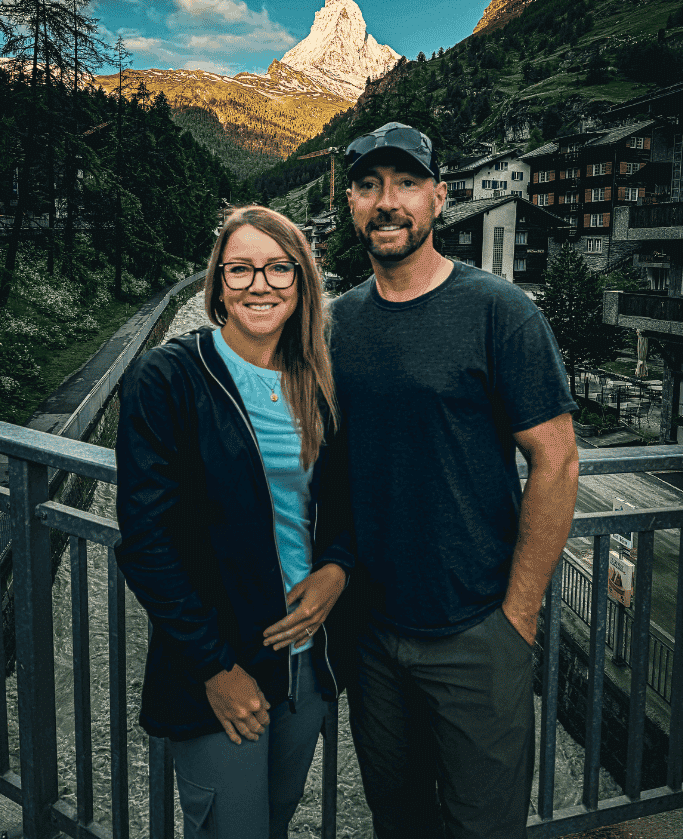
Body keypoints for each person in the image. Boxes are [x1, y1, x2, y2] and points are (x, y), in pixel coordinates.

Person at [329, 122, 580, 839]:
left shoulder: (499, 312)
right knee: (397, 818)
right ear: (350, 202)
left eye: (406, 183)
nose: (388, 203)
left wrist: (517, 617)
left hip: (476, 631)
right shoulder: (338, 323)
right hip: (373, 636)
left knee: (481, 826)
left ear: (438, 198)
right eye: (370, 185)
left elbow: (556, 460)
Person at [115, 205, 354, 839]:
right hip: (224, 670)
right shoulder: (168, 378)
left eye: (279, 268)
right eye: (240, 268)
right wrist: (215, 669)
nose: (260, 284)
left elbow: (340, 505)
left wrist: (337, 567)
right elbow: (145, 543)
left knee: (272, 824)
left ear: (301, 283)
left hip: (306, 660)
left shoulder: (317, 379)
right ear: (217, 282)